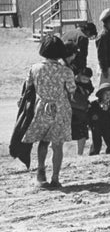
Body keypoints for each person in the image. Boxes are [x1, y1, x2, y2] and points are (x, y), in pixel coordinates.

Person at [22, 35, 76, 188]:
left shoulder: (35, 68)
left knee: (43, 141)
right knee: (57, 145)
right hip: (60, 109)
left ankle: (40, 172)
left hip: (41, 108)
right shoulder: (65, 71)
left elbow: (28, 87)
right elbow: (72, 89)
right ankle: (55, 178)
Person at [88, 82, 110, 155]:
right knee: (96, 141)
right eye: (106, 94)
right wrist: (92, 119)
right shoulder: (94, 104)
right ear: (101, 95)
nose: (108, 96)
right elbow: (89, 114)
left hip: (108, 126)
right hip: (97, 126)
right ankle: (94, 154)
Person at [69, 67, 94, 155]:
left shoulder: (88, 85)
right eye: (84, 78)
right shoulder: (72, 82)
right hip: (71, 110)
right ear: (79, 76)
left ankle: (80, 153)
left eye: (87, 79)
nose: (85, 80)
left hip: (82, 111)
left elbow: (89, 91)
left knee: (82, 133)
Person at [96, 8, 110, 86]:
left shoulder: (109, 32)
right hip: (106, 68)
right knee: (105, 90)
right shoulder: (103, 35)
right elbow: (101, 54)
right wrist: (104, 70)